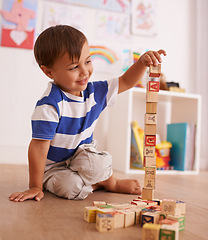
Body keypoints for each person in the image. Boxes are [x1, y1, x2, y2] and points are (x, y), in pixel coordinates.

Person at [9, 25, 166, 202]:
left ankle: (111, 183)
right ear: (48, 71)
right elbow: (38, 147)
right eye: (74, 67)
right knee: (71, 188)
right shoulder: (49, 106)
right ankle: (94, 184)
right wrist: (35, 186)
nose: (84, 72)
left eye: (88, 61)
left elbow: (126, 81)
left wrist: (142, 63)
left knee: (100, 163)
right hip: (55, 168)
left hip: (82, 155)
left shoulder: (95, 92)